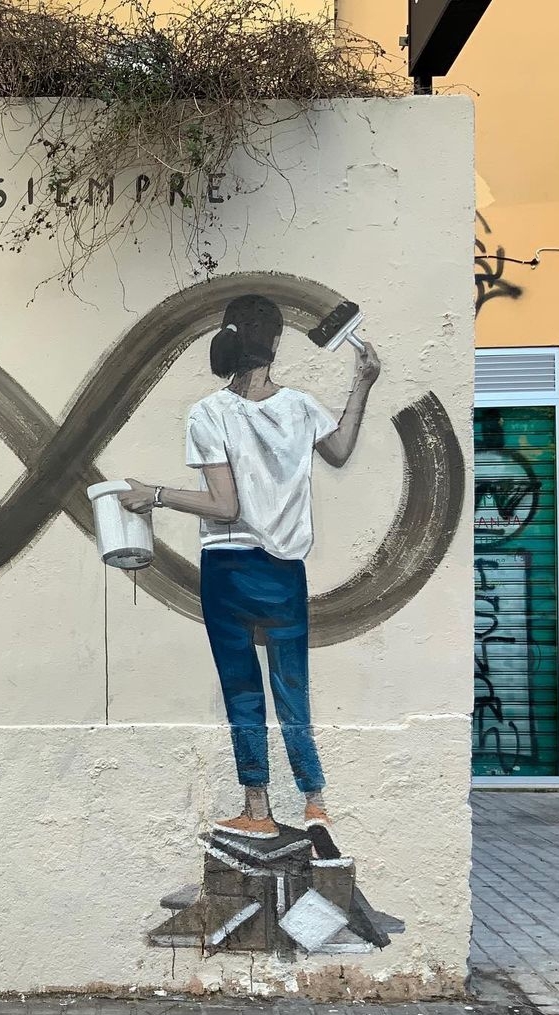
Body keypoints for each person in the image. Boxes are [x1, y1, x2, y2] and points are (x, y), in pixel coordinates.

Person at [118, 294, 380, 838]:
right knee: (292, 687)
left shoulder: (208, 413)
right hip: (284, 571)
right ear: (277, 342)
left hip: (228, 568)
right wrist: (363, 383)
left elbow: (224, 506)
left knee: (242, 689)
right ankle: (314, 803)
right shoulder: (300, 406)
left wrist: (155, 494)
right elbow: (339, 450)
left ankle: (258, 811)